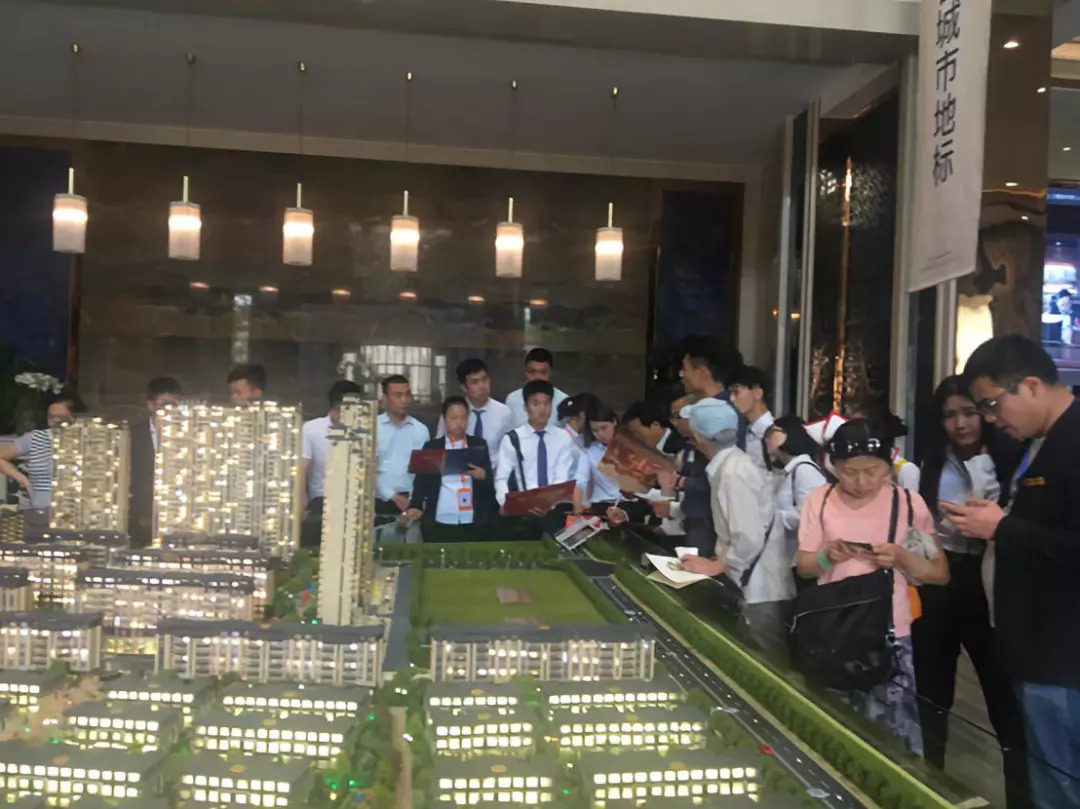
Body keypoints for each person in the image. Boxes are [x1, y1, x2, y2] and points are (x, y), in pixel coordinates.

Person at [946, 335, 1080, 808]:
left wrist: (1002, 528)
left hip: (1063, 655)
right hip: (1037, 649)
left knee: (1061, 788)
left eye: (990, 404)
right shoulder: (1041, 441)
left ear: (1031, 385)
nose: (988, 419)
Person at [796, 417, 950, 755]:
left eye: (872, 471)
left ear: (888, 465)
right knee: (833, 733)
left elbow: (939, 573)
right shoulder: (819, 501)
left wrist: (901, 557)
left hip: (889, 634)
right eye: (849, 471)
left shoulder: (908, 504)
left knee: (892, 738)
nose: (861, 481)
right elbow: (805, 568)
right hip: (833, 630)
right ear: (833, 465)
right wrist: (826, 556)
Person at [913, 375, 1028, 807]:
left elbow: (1000, 517)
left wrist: (981, 464)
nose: (960, 424)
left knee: (1004, 702)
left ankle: (1020, 798)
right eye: (950, 415)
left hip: (988, 582)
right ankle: (929, 789)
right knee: (931, 695)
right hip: (942, 580)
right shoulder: (931, 463)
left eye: (969, 412)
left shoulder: (1006, 460)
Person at [678, 399, 794, 638]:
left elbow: (749, 537)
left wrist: (715, 566)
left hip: (759, 591)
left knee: (759, 655)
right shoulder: (732, 465)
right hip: (753, 585)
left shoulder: (733, 473)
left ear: (698, 437)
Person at [405, 396, 496, 542]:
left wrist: (483, 475)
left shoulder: (478, 445)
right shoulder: (432, 447)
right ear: (444, 419)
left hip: (472, 520)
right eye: (453, 418)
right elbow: (421, 481)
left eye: (463, 418)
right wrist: (415, 505)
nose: (459, 423)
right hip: (439, 519)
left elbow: (490, 480)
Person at [299, 379, 364, 546]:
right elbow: (301, 470)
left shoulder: (363, 431)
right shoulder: (311, 429)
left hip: (355, 502)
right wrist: (300, 505)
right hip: (321, 502)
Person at [494, 379, 575, 510]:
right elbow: (502, 478)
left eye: (546, 403)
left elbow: (562, 476)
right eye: (536, 404)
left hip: (554, 509)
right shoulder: (512, 438)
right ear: (526, 407)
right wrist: (505, 504)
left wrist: (549, 504)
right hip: (523, 508)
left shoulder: (563, 438)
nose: (542, 409)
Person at [0, 389, 85, 510]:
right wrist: (22, 479)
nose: (56, 421)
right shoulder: (36, 438)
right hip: (39, 511)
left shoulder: (85, 441)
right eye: (51, 416)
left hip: (75, 512)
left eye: (61, 418)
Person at [764, 415, 830, 567]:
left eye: (771, 433)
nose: (766, 439)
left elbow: (808, 515)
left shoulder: (805, 470)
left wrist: (769, 517)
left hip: (801, 558)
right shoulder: (792, 469)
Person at [129, 377, 182, 546]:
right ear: (150, 405)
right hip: (140, 521)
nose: (169, 410)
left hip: (176, 519)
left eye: (174, 405)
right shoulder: (132, 435)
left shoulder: (186, 436)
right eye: (164, 404)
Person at [436, 359, 513, 469]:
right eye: (475, 382)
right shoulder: (453, 412)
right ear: (464, 387)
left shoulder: (504, 413)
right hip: (458, 472)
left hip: (492, 473)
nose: (482, 386)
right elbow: (439, 445)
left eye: (484, 379)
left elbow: (509, 451)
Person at [375, 375, 430, 517]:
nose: (404, 400)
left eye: (407, 395)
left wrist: (416, 501)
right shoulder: (372, 428)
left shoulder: (421, 430)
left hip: (412, 504)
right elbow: (366, 470)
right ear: (385, 398)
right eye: (398, 396)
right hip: (379, 503)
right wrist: (392, 496)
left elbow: (425, 471)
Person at [679, 335, 748, 449]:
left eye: (685, 369)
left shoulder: (722, 414)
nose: (681, 374)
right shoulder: (725, 407)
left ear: (701, 372)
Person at [504, 348, 568, 428]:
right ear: (525, 372)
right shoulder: (512, 399)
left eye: (543, 372)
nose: (538, 377)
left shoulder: (563, 401)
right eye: (532, 372)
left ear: (550, 373)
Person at [726, 364, 774, 470]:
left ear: (757, 392)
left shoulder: (774, 432)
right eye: (730, 393)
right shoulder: (740, 432)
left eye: (736, 392)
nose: (732, 399)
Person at [557, 393, 600, 510]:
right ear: (582, 415)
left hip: (584, 504)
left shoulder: (580, 439)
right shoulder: (562, 440)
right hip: (568, 504)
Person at [585, 404, 621, 506]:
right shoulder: (589, 452)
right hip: (602, 503)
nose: (600, 434)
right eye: (595, 430)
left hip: (632, 502)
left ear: (614, 422)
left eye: (604, 428)